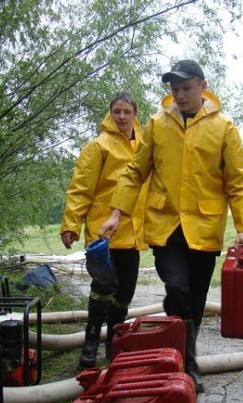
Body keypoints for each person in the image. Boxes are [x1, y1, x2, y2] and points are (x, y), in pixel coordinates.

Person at [99, 60, 243, 393]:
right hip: (166, 226)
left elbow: (239, 182)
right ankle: (188, 364)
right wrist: (116, 212)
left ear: (202, 86)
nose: (180, 95)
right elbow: (134, 172)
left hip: (204, 228)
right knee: (178, 289)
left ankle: (182, 355)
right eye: (174, 89)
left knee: (195, 298)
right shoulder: (158, 125)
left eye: (186, 88)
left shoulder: (223, 127)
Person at [60, 92, 148, 368]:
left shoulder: (145, 145)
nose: (122, 116)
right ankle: (89, 344)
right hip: (103, 234)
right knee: (103, 288)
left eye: (126, 111)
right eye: (117, 111)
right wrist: (71, 224)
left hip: (133, 234)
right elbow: (80, 188)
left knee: (125, 293)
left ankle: (114, 343)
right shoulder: (97, 147)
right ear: (110, 114)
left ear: (135, 113)